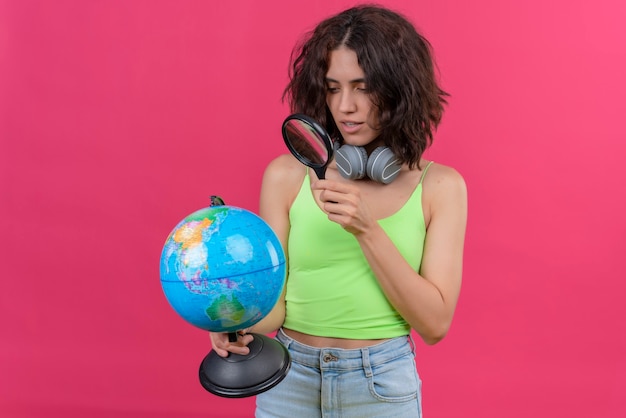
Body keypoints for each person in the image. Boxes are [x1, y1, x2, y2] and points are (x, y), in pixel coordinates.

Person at [210, 4, 467, 417]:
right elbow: (273, 307)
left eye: (362, 87)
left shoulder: (441, 187)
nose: (345, 106)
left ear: (399, 89)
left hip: (381, 382)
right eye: (333, 88)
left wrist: (367, 229)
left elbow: (435, 325)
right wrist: (234, 325)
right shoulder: (286, 175)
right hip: (287, 377)